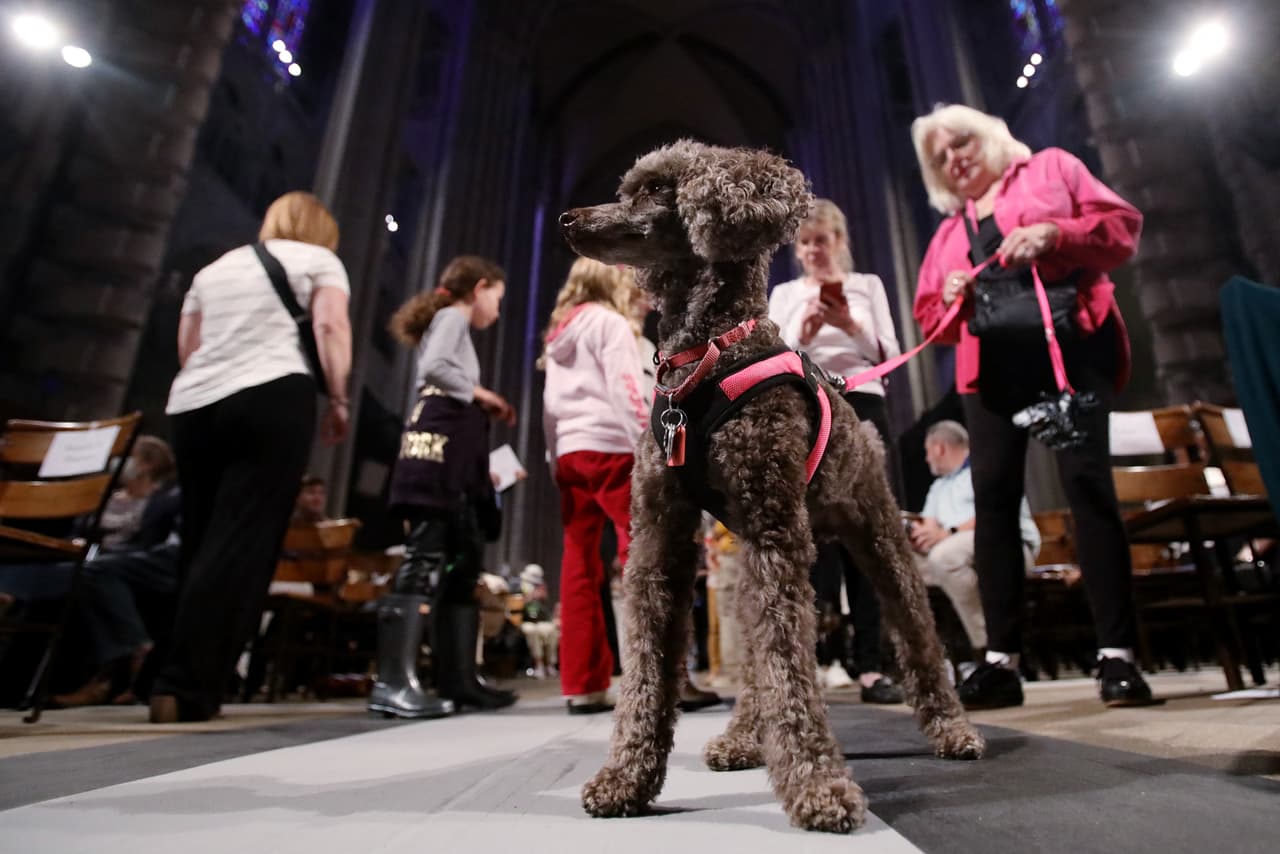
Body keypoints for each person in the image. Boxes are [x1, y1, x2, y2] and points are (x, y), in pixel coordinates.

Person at [911, 103, 1154, 708]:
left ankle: (1117, 657)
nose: (954, 158)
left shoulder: (1052, 169)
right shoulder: (949, 232)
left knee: (1088, 489)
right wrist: (949, 298)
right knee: (992, 505)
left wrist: (1055, 234)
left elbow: (1121, 226)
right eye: (941, 156)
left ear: (989, 135)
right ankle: (1001, 662)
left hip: (1069, 349)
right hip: (990, 372)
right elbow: (928, 320)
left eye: (960, 142)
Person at [152, 191, 352, 723]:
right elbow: (331, 327)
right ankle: (192, 684)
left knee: (197, 537)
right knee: (242, 539)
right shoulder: (319, 260)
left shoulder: (216, 268)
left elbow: (187, 345)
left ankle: (163, 676)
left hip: (194, 403)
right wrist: (337, 398)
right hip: (270, 394)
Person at [767, 198, 904, 704]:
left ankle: (871, 664)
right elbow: (770, 358)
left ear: (839, 241)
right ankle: (818, 659)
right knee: (812, 531)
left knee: (865, 531)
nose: (811, 251)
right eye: (803, 243)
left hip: (863, 400)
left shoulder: (867, 286)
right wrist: (799, 338)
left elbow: (889, 353)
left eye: (820, 240)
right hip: (808, 403)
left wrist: (849, 325)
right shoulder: (783, 293)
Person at [371, 255, 516, 718]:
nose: (497, 309)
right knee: (426, 549)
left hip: (454, 458)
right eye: (496, 296)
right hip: (435, 453)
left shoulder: (455, 323)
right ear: (479, 288)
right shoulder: (452, 316)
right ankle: (393, 681)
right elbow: (434, 368)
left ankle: (459, 680)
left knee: (464, 555)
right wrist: (482, 394)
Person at [1, 436, 182, 707]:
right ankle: (13, 685)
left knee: (87, 578)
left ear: (147, 465)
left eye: (129, 455)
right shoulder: (103, 496)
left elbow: (157, 547)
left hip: (126, 566)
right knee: (53, 577)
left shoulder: (165, 501)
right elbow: (79, 533)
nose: (118, 461)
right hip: (88, 560)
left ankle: (119, 668)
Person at [541, 258, 647, 714]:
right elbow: (627, 390)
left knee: (579, 566)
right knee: (642, 554)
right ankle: (656, 674)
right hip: (612, 448)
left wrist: (553, 456)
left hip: (569, 453)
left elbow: (548, 407)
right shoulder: (610, 324)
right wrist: (649, 444)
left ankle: (581, 685)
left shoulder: (558, 335)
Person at [909, 420, 1040, 658]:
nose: (927, 459)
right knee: (901, 566)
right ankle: (932, 655)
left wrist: (948, 533)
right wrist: (921, 534)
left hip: (1008, 545)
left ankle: (988, 645)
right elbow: (928, 523)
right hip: (955, 550)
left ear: (939, 448)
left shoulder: (984, 467)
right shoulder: (938, 487)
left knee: (944, 557)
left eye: (928, 452)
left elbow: (994, 512)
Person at [518, 563, 559, 679]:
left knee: (552, 630)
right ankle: (539, 664)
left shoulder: (541, 587)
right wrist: (529, 597)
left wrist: (543, 597)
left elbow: (545, 611)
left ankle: (550, 664)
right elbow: (514, 605)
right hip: (524, 620)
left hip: (540, 620)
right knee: (533, 631)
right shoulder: (519, 585)